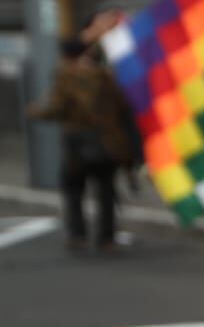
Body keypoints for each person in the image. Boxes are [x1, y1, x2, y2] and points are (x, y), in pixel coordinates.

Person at [27, 37, 138, 252]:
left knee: (73, 189)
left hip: (77, 142)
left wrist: (34, 111)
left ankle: (78, 235)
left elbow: (57, 108)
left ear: (65, 56)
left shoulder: (66, 76)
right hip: (108, 141)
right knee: (106, 190)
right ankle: (106, 238)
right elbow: (123, 105)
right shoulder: (105, 76)